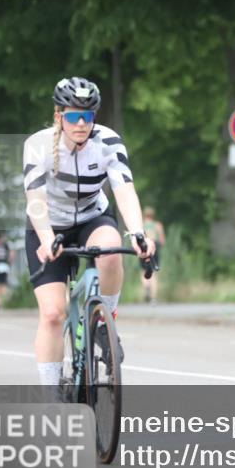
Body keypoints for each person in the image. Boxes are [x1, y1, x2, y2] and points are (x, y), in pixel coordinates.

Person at [24, 76, 155, 390]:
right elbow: (36, 202)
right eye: (72, 116)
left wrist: (138, 233)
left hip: (92, 219)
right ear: (59, 116)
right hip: (49, 227)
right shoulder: (38, 145)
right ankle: (51, 395)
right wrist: (46, 241)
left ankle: (103, 324)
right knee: (53, 314)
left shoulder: (108, 141)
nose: (81, 123)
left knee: (110, 251)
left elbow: (124, 191)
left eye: (88, 116)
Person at [141, 207, 166, 305]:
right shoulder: (157, 225)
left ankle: (146, 286)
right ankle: (153, 298)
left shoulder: (141, 225)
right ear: (153, 215)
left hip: (143, 248)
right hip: (154, 248)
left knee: (143, 270)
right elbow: (162, 240)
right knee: (154, 273)